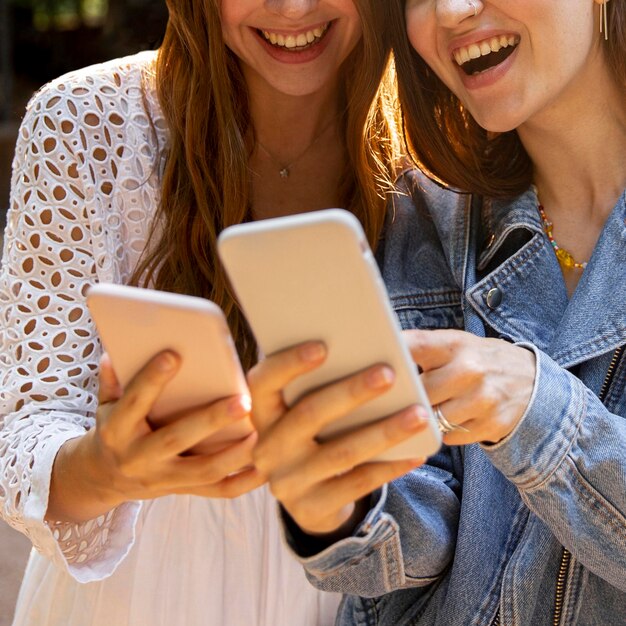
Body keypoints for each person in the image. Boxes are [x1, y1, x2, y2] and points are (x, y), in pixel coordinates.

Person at [0, 1, 402, 625]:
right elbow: (22, 428)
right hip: (137, 595)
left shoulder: (435, 149)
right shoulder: (84, 121)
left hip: (348, 582)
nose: (293, 8)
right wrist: (107, 468)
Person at [247, 0, 626, 624]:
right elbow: (415, 543)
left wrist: (538, 412)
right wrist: (338, 507)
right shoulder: (427, 210)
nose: (451, 11)